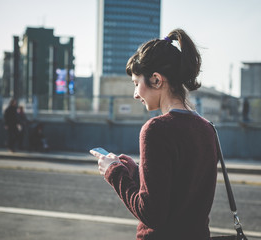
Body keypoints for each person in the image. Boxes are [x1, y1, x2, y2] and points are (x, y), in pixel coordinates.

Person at [90, 29, 218, 240]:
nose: (135, 94)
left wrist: (114, 173)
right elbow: (179, 190)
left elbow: (151, 213)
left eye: (136, 83)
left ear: (157, 80)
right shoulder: (207, 129)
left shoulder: (156, 130)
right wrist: (135, 172)